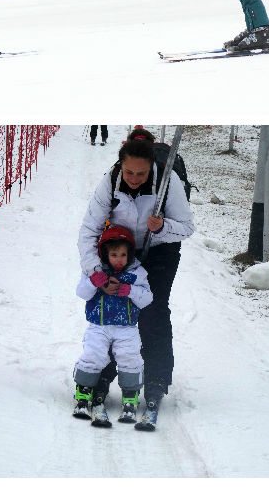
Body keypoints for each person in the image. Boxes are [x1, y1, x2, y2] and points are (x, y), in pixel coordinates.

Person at [77, 128, 195, 417]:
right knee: (113, 309)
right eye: (129, 172)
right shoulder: (111, 180)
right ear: (121, 165)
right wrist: (97, 273)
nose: (134, 179)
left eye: (141, 174)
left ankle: (156, 378)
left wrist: (163, 226)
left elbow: (187, 227)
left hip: (159, 249)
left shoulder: (169, 181)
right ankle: (102, 376)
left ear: (151, 167)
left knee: (153, 310)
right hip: (120, 251)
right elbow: (89, 230)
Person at [73, 224, 152, 422]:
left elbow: (147, 299)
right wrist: (94, 281)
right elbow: (81, 293)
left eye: (123, 255)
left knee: (129, 357)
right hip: (99, 326)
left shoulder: (137, 273)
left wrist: (130, 291)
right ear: (105, 253)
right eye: (114, 254)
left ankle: (130, 394)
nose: (119, 260)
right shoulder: (95, 271)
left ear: (130, 254)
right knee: (93, 354)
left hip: (126, 328)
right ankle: (83, 391)